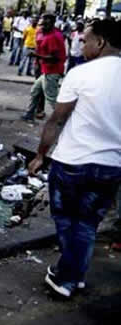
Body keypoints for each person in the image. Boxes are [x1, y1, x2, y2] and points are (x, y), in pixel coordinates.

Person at [28, 19, 121, 298]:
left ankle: (66, 279)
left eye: (86, 40)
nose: (81, 44)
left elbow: (56, 120)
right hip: (111, 166)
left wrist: (40, 155)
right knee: (88, 223)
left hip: (73, 162)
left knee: (67, 220)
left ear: (101, 42)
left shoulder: (82, 73)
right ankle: (75, 273)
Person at [22, 14, 67, 122]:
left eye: (46, 24)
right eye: (42, 23)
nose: (42, 26)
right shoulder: (42, 32)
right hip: (45, 70)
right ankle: (29, 114)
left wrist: (36, 56)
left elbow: (54, 58)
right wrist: (37, 61)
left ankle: (63, 120)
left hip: (52, 70)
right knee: (35, 91)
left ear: (52, 23)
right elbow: (40, 47)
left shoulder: (54, 36)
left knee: (51, 98)